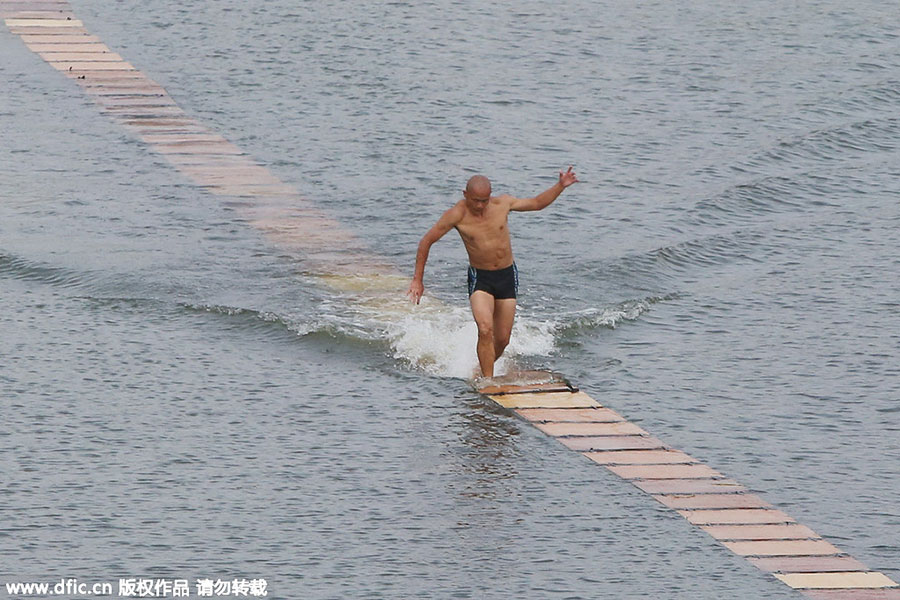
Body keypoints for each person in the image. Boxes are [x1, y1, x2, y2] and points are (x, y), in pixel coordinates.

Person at [407, 167, 579, 378]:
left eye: (484, 200)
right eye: (475, 200)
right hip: (481, 278)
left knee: (502, 339)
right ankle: (488, 382)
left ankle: (479, 372)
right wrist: (417, 280)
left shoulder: (502, 204)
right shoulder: (456, 215)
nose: (480, 205)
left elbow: (536, 203)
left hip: (507, 276)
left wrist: (560, 186)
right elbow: (426, 242)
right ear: (465, 195)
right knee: (485, 328)